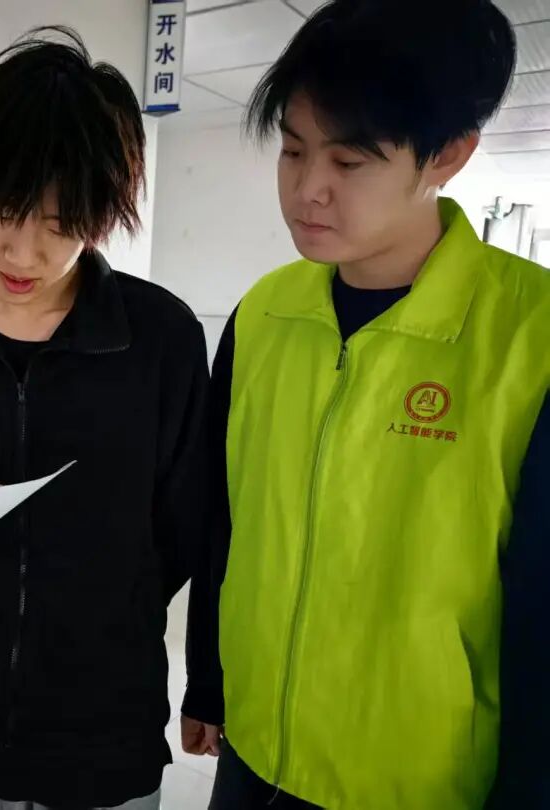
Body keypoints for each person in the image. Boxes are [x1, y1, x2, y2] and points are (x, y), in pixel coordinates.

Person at [180, 0, 549, 807]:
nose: (307, 190)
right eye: (292, 150)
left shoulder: (531, 338)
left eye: (349, 162)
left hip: (416, 784)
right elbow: (227, 521)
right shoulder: (264, 315)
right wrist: (208, 680)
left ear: (448, 154)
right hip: (254, 756)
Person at [0, 28, 211, 810]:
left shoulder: (159, 338)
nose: (20, 252)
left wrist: (108, 608)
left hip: (107, 730)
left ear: (100, 217)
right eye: (0, 209)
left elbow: (185, 527)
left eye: (59, 223)